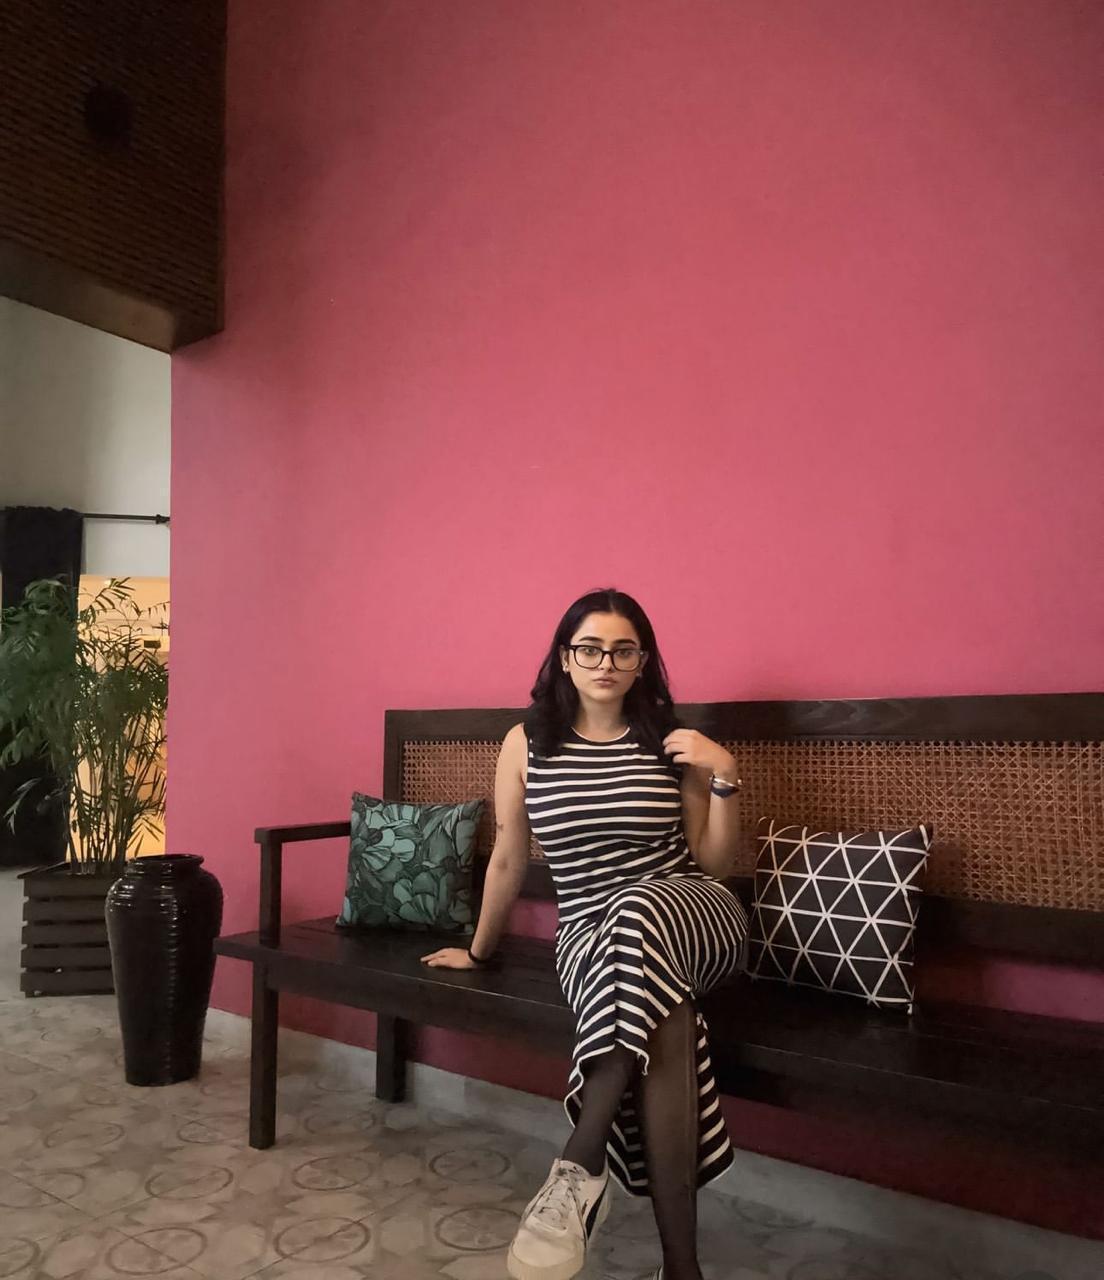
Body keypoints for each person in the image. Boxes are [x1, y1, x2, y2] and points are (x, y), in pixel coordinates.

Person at [420, 587, 748, 1280]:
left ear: (642, 662)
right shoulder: (526, 744)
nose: (606, 663)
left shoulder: (671, 741)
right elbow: (508, 856)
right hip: (592, 940)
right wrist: (479, 951)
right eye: (590, 648)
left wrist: (724, 775)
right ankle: (682, 1269)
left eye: (623, 650)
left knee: (638, 909)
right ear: (565, 658)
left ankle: (578, 1162)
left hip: (693, 916)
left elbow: (715, 864)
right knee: (665, 1018)